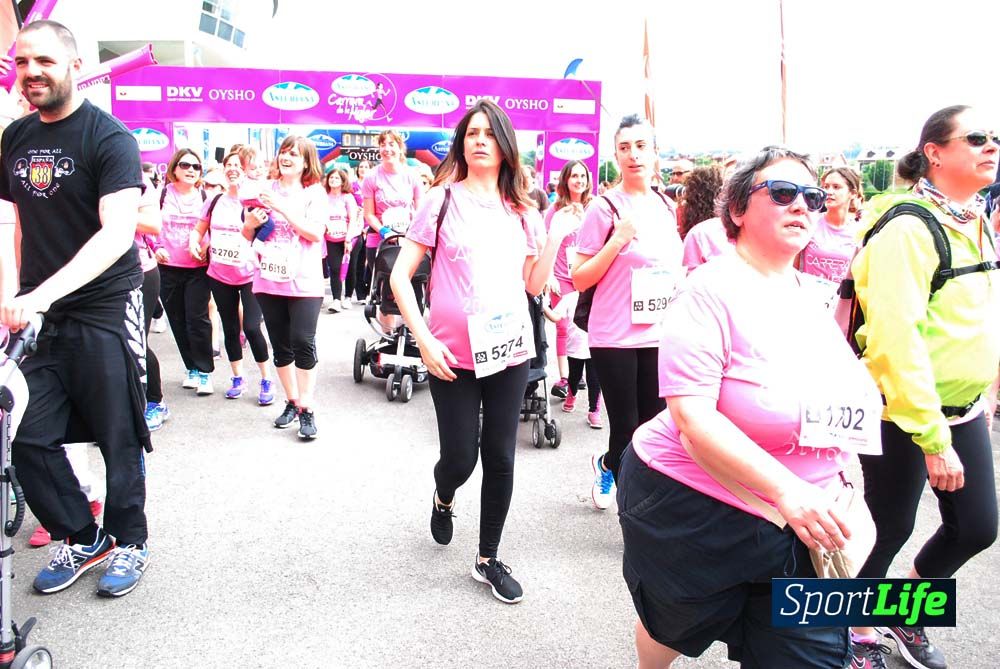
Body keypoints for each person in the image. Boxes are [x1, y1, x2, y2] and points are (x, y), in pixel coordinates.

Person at [619, 146, 881, 669]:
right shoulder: (705, 291)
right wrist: (787, 491)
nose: (802, 205)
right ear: (738, 210)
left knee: (804, 654)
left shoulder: (815, 293)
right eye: (782, 193)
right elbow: (694, 420)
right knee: (674, 624)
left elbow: (837, 401)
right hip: (695, 503)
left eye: (811, 195)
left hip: (806, 518)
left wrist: (844, 480)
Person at [389, 99, 565, 604]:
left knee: (502, 457)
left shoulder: (522, 211)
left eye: (489, 133)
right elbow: (401, 276)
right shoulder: (441, 200)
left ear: (506, 145)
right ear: (462, 144)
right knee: (460, 458)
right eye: (472, 133)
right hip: (451, 355)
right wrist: (423, 340)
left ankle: (487, 557)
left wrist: (552, 237)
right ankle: (445, 497)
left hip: (508, 351)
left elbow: (533, 284)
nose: (480, 140)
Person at [0, 19, 151, 597]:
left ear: (73, 65)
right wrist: (13, 292)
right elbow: (8, 219)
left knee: (118, 433)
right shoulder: (15, 138)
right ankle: (84, 536)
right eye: (21, 62)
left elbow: (116, 235)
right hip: (40, 315)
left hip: (105, 307)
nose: (31, 72)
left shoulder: (109, 138)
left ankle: (130, 540)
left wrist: (40, 294)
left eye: (43, 61)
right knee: (23, 430)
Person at [848, 106, 1000, 669]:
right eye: (977, 137)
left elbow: (978, 314)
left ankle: (901, 612)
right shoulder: (909, 226)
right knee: (884, 531)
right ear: (934, 152)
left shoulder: (975, 218)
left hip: (962, 409)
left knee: (976, 528)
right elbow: (895, 338)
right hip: (900, 409)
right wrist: (933, 438)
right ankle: (849, 631)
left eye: (996, 138)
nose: (991, 146)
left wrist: (983, 390)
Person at [572, 114, 683, 510]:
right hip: (614, 335)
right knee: (626, 427)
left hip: (658, 332)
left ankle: (607, 465)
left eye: (641, 147)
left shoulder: (668, 207)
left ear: (655, 154)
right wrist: (617, 240)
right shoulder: (604, 209)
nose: (633, 156)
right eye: (624, 148)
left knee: (654, 426)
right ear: (615, 156)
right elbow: (579, 277)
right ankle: (635, 512)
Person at [247, 135, 326, 440]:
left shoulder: (314, 194)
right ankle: (292, 401)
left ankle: (307, 407)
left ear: (306, 162)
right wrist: (251, 223)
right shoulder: (263, 191)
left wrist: (283, 208)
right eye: (284, 152)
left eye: (294, 154)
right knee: (280, 344)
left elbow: (315, 234)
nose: (287, 158)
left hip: (304, 280)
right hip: (268, 278)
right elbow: (248, 233)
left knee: (302, 340)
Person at [189, 150, 274, 405]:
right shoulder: (214, 201)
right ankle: (238, 377)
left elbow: (270, 233)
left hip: (249, 274)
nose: (233, 169)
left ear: (246, 170)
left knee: (251, 327)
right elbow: (199, 229)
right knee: (229, 328)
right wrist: (196, 242)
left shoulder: (256, 200)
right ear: (224, 169)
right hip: (219, 274)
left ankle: (265, 377)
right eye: (229, 165)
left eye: (238, 165)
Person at [157, 148, 215, 394]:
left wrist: (207, 246)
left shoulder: (206, 196)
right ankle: (190, 367)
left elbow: (218, 228)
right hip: (167, 267)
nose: (191, 170)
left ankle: (204, 372)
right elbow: (150, 227)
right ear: (174, 168)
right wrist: (156, 247)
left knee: (197, 319)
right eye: (185, 165)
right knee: (177, 320)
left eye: (196, 166)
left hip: (198, 268)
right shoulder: (161, 195)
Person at [543, 160, 592, 400]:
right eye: (574, 176)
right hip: (561, 277)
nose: (579, 180)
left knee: (582, 326)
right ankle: (564, 377)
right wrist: (549, 275)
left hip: (585, 276)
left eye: (582, 176)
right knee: (563, 325)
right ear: (566, 179)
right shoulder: (555, 210)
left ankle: (578, 370)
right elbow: (545, 243)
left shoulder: (594, 208)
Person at [362, 131, 422, 298]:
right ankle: (386, 322)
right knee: (386, 291)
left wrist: (410, 232)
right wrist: (384, 231)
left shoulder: (412, 175)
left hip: (407, 237)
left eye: (391, 144)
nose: (387, 149)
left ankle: (408, 323)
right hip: (380, 236)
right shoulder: (371, 177)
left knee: (408, 285)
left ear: (400, 147)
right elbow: (369, 214)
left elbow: (421, 210)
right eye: (383, 145)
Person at [797, 166, 863, 286]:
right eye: (826, 187)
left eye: (836, 187)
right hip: (809, 298)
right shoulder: (810, 222)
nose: (829, 192)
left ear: (853, 193)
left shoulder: (860, 232)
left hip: (841, 301)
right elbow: (793, 266)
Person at [322, 168, 359, 313]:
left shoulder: (348, 197)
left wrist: (348, 239)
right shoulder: (324, 196)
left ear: (343, 181)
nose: (333, 180)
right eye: (331, 178)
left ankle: (348, 297)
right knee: (335, 268)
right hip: (330, 238)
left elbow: (353, 219)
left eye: (337, 178)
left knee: (350, 268)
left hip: (349, 238)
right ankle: (336, 299)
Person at [345, 159, 372, 303]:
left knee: (366, 262)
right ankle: (349, 295)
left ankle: (363, 294)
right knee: (354, 262)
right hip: (356, 228)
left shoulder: (373, 185)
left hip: (370, 228)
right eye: (361, 166)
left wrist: (368, 227)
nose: (363, 169)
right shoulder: (352, 186)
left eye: (366, 167)